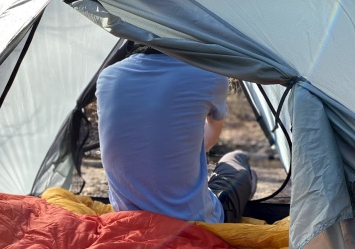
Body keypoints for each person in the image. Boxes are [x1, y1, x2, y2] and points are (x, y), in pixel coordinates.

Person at [95, 42, 256, 223]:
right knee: (237, 158)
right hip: (194, 222)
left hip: (127, 218)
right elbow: (213, 132)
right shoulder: (209, 75)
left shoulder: (108, 76)